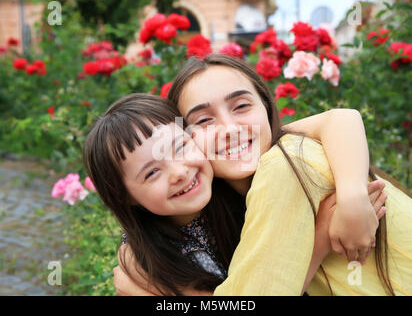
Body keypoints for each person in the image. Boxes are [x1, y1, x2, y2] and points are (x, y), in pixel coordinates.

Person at [162, 54, 412, 295]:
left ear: (266, 108)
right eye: (204, 120)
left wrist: (353, 199)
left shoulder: (283, 165)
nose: (229, 129)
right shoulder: (275, 160)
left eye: (241, 106)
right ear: (183, 139)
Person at [87, 93, 384, 296]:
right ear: (126, 198)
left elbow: (337, 120)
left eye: (180, 147)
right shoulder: (146, 262)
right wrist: (318, 243)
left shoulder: (232, 168)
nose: (178, 171)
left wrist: (352, 196)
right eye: (152, 173)